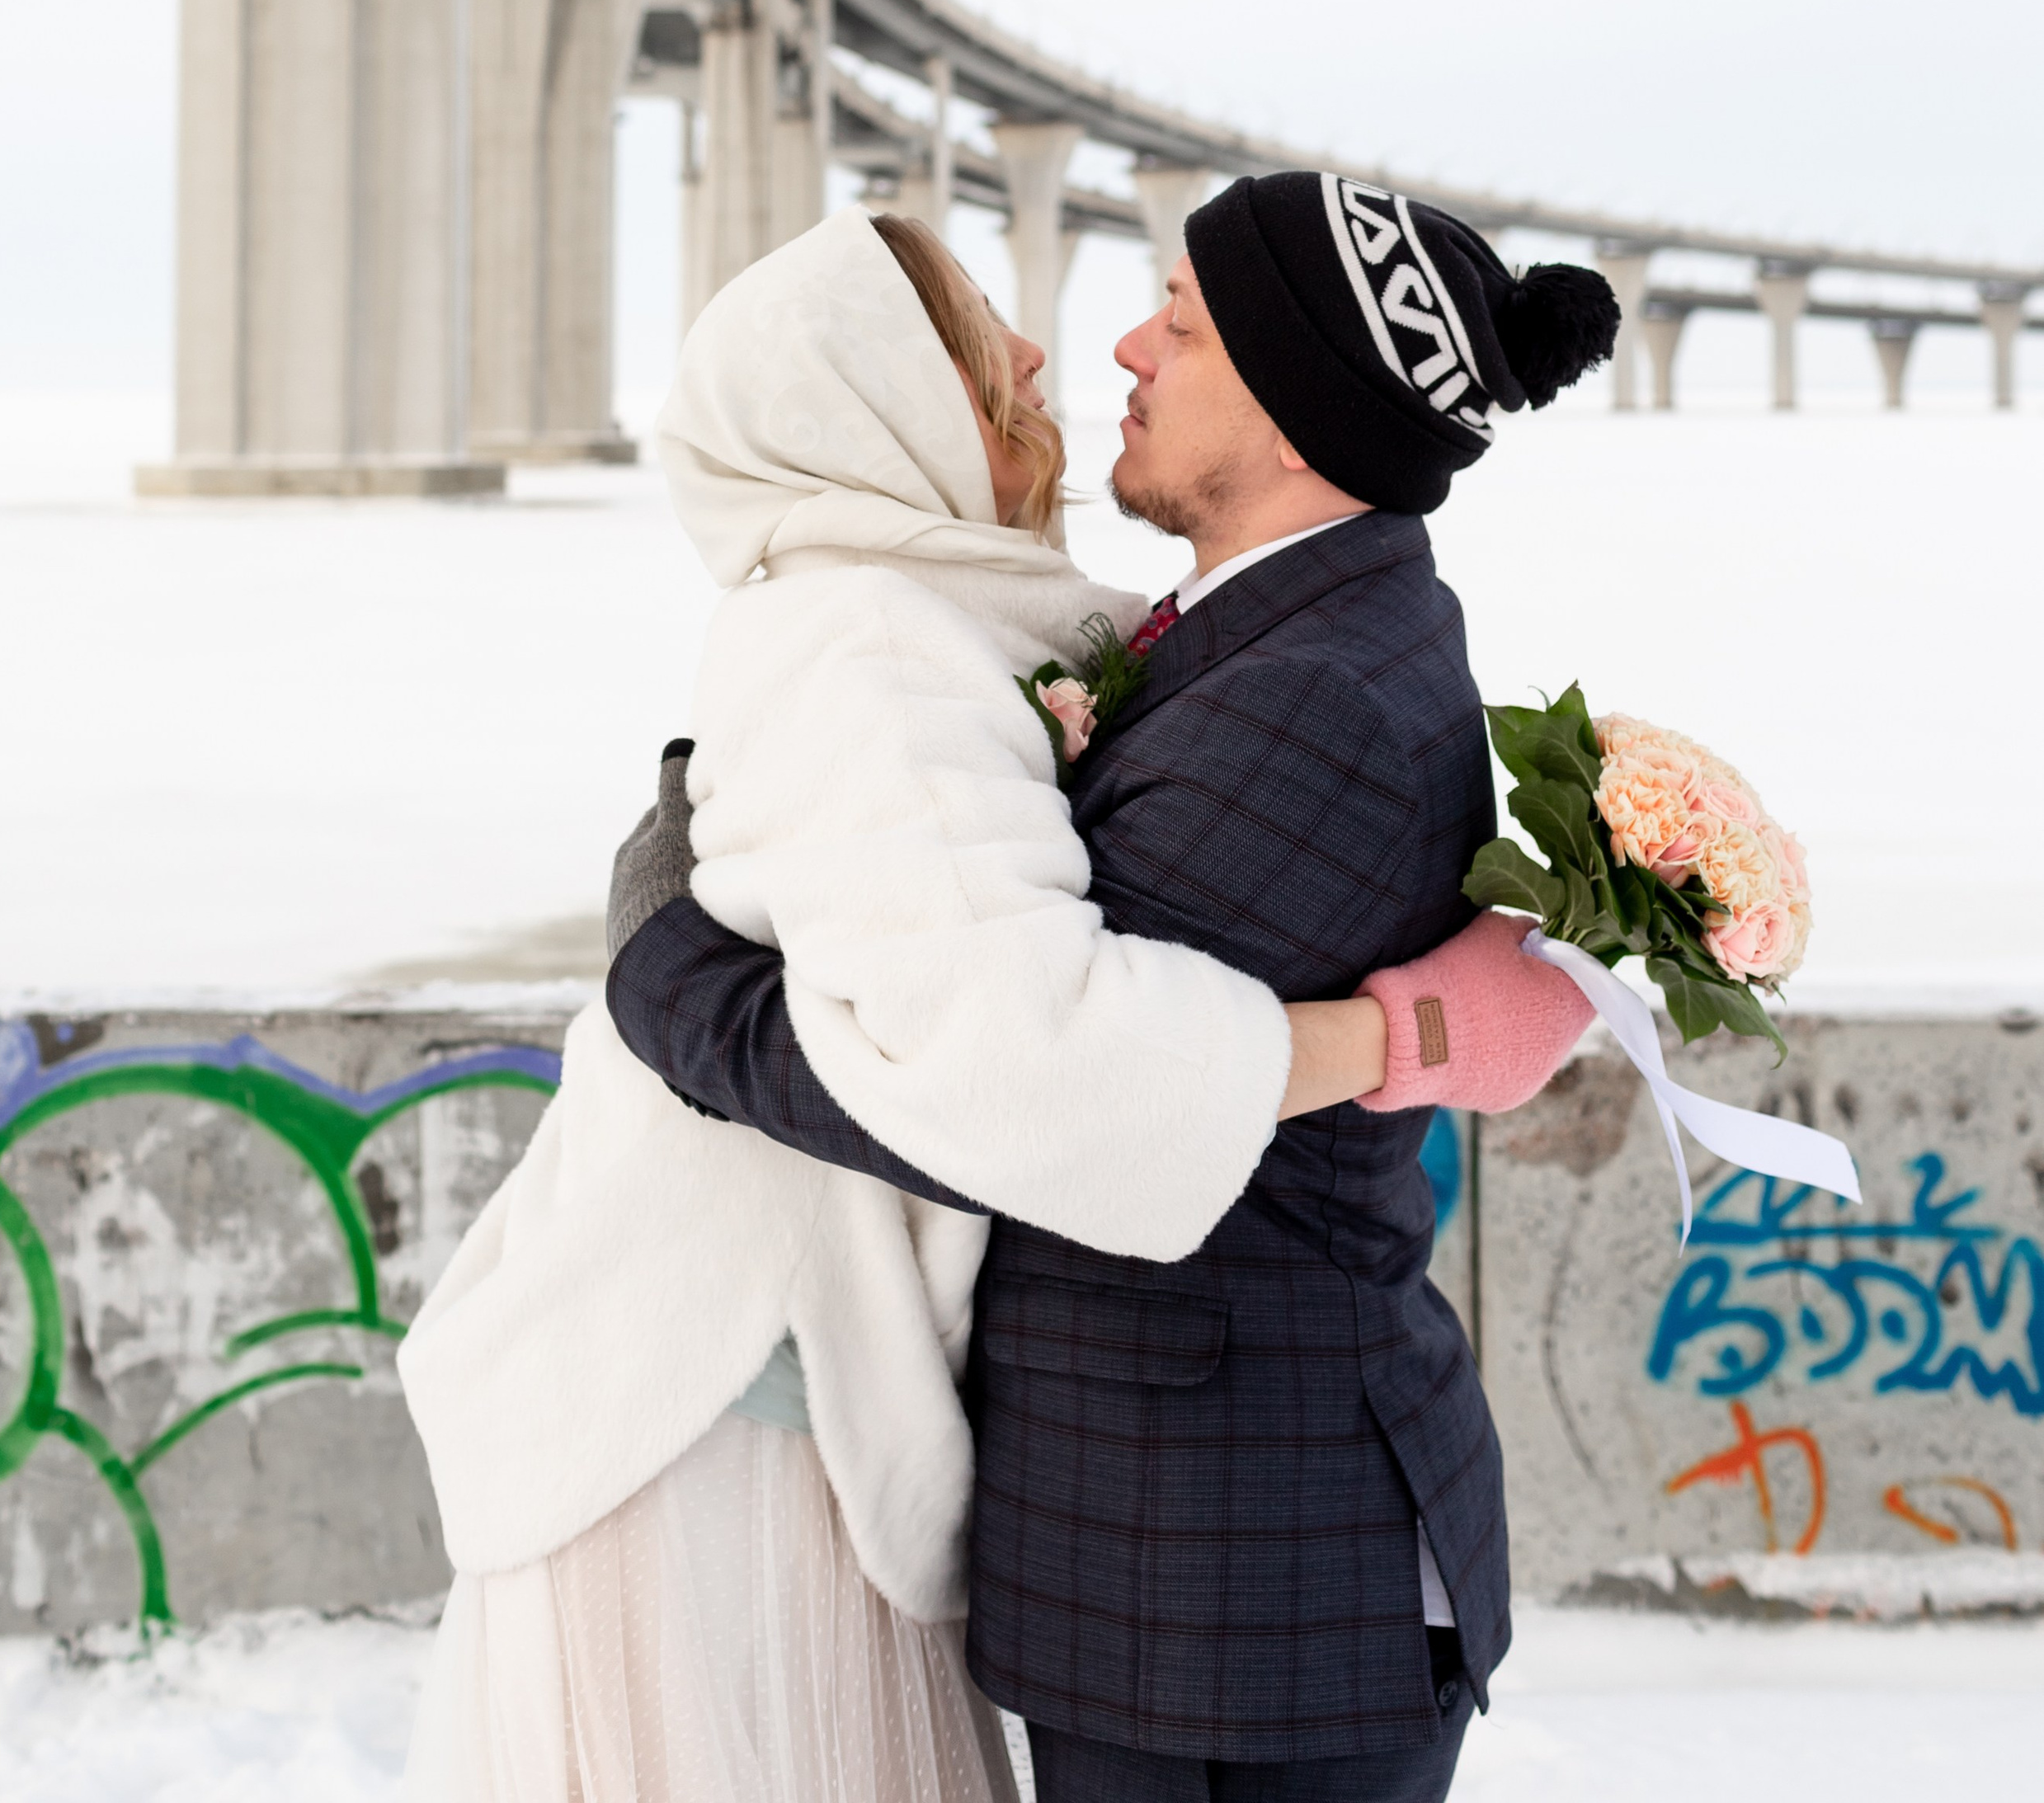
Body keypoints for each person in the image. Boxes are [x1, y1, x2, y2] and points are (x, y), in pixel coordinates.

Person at [401, 197, 1599, 1802]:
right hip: (1193, 1556)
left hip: (1232, 1572)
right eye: (989, 349)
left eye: (1177, 323)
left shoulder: (1297, 692)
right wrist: (683, 830)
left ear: (1298, 395)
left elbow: (1012, 1084)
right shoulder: (1224, 634)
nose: (1100, 349)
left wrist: (661, 968)